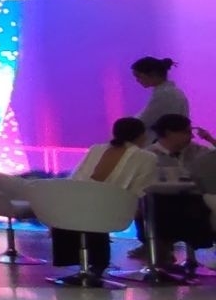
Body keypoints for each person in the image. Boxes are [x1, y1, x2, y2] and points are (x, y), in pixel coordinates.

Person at [52, 116, 158, 282]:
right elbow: (140, 188)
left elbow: (77, 177)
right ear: (141, 135)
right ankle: (95, 265)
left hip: (84, 201)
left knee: (82, 208)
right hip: (110, 203)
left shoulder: (97, 149)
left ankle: (88, 264)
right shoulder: (146, 157)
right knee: (92, 208)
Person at [143, 113, 213, 272]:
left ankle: (186, 255)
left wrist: (210, 140)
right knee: (156, 208)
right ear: (169, 133)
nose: (191, 136)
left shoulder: (198, 151)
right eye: (186, 132)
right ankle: (161, 259)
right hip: (159, 199)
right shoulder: (148, 155)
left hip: (194, 198)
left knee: (197, 206)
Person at [132, 57, 189, 139]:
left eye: (138, 76)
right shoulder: (171, 92)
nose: (137, 80)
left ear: (153, 74)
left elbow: (144, 121)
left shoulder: (164, 94)